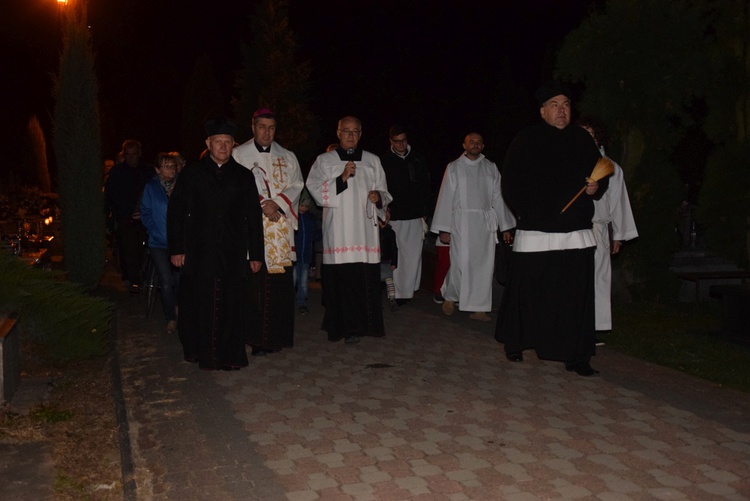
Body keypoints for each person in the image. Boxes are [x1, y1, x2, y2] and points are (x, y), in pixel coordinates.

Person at [495, 81, 606, 377]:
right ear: (543, 110)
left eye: (566, 105)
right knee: (527, 292)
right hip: (537, 230)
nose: (561, 110)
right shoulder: (526, 139)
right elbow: (511, 182)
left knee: (573, 295)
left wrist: (596, 187)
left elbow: (599, 174)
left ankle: (576, 355)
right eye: (555, 105)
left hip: (574, 232)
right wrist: (526, 213)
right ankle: (517, 342)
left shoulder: (583, 140)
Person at [167, 116, 264, 371]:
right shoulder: (191, 174)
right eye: (217, 142)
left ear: (233, 144)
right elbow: (176, 212)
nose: (222, 147)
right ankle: (200, 351)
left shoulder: (243, 176)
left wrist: (256, 254)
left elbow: (253, 216)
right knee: (198, 301)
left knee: (231, 303)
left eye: (227, 142)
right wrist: (177, 248)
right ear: (208, 143)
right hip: (199, 251)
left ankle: (229, 355)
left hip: (232, 252)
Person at [306, 116, 393, 344]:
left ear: (361, 133)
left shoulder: (373, 161)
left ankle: (365, 326)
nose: (351, 135)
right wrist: (342, 178)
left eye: (355, 131)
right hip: (339, 232)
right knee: (341, 284)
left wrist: (379, 198)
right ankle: (340, 326)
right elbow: (314, 189)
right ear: (338, 133)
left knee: (363, 281)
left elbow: (384, 191)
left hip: (365, 234)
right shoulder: (325, 161)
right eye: (346, 131)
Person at [232, 108, 304, 356]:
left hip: (281, 231)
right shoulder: (238, 154)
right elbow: (235, 187)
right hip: (252, 230)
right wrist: (264, 204)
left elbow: (297, 184)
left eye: (271, 128)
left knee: (279, 286)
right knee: (254, 285)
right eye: (262, 127)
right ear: (253, 127)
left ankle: (276, 337)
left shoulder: (288, 156)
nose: (266, 132)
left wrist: (279, 203)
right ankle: (254, 339)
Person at [430, 132, 516, 322]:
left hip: (485, 225)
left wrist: (506, 226)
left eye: (478, 142)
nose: (475, 144)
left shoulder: (490, 168)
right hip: (462, 222)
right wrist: (444, 228)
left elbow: (498, 198)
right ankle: (451, 297)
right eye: (471, 141)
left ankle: (479, 308)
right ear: (464, 145)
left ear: (483, 146)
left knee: (483, 266)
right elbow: (445, 197)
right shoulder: (454, 167)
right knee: (461, 263)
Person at [577, 117, 638, 340]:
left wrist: (619, 236)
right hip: (572, 230)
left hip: (598, 230)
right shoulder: (568, 162)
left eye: (590, 135)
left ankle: (594, 328)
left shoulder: (610, 166)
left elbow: (618, 202)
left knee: (598, 279)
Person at [380, 124, 432, 306]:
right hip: (394, 215)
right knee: (396, 254)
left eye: (404, 140)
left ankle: (407, 291)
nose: (401, 144)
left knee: (412, 255)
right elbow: (381, 188)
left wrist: (426, 211)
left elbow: (426, 186)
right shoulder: (384, 160)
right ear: (390, 141)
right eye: (397, 141)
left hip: (415, 214)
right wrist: (383, 210)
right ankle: (395, 291)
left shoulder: (418, 158)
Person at [104, 139, 154, 293]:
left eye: (134, 154)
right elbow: (110, 196)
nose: (131, 157)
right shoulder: (117, 172)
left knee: (144, 250)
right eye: (128, 154)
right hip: (126, 217)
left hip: (145, 218)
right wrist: (111, 220)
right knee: (129, 249)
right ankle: (134, 282)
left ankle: (142, 278)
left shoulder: (148, 171)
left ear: (139, 154)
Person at [140, 152, 181, 334]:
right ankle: (170, 317)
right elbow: (145, 211)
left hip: (179, 242)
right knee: (166, 281)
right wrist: (153, 229)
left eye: (172, 166)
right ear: (157, 170)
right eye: (166, 166)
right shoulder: (151, 187)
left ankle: (180, 307)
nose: (170, 169)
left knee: (180, 279)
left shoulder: (182, 185)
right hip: (158, 242)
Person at [293, 190, 320, 315]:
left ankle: (301, 304)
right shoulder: (293, 217)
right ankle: (288, 303)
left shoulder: (310, 219)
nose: (303, 208)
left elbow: (315, 236)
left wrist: (323, 232)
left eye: (306, 206)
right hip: (293, 256)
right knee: (292, 280)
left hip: (306, 256)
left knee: (303, 282)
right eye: (301, 205)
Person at [378, 208, 399, 311]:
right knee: (375, 282)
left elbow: (394, 248)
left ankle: (392, 299)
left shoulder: (390, 232)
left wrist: (394, 262)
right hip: (374, 261)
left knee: (389, 281)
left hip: (386, 261)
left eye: (388, 212)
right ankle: (376, 301)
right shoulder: (372, 230)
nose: (386, 215)